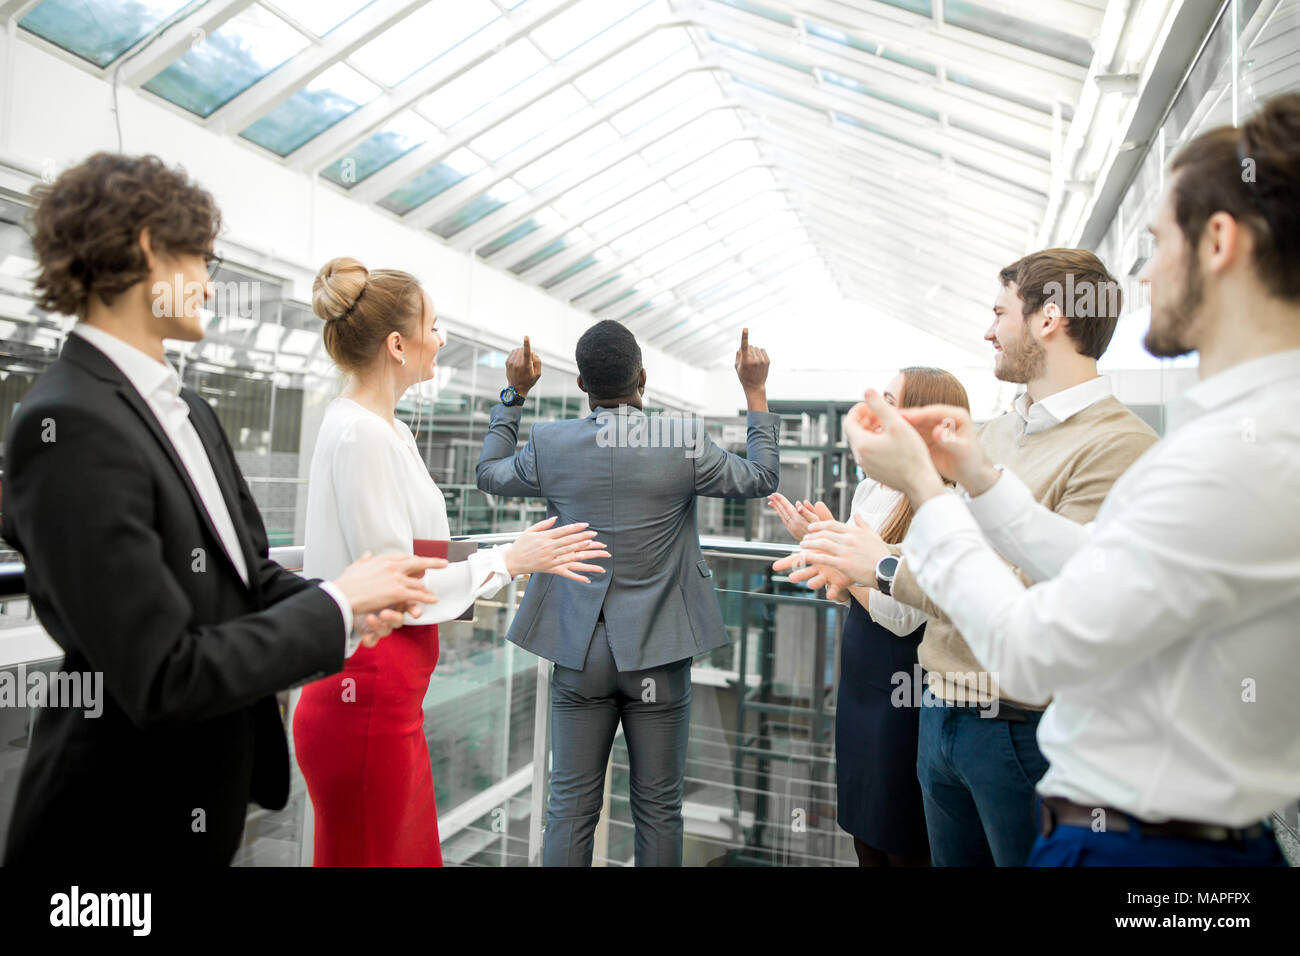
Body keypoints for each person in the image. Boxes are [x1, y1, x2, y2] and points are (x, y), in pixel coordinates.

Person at [795, 92, 1300, 866]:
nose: (1144, 273)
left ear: (1220, 242)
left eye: (1158, 241)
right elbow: (1098, 567)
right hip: (1070, 788)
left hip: (1144, 840)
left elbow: (1037, 643)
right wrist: (979, 477)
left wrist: (926, 498)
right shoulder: (1238, 436)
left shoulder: (1235, 453)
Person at [1, 154, 446, 866]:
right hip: (111, 831)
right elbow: (161, 672)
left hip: (200, 802)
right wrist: (335, 608)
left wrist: (355, 602)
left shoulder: (191, 412)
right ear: (150, 248)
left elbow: (251, 579)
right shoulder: (68, 425)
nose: (210, 285)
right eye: (202, 259)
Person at [781, 248, 1158, 866]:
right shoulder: (995, 433)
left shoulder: (1120, 447)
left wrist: (879, 564)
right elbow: (954, 551)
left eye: (999, 311)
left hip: (1023, 731)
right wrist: (858, 556)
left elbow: (1036, 597)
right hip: (939, 709)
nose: (987, 330)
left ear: (1049, 318)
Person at [293, 257, 610, 866]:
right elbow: (394, 582)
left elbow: (408, 552)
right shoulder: (363, 435)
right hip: (366, 698)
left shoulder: (388, 430)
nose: (441, 339)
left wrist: (510, 555)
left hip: (389, 696)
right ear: (396, 344)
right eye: (433, 327)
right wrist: (509, 561)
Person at [476, 321, 780, 866]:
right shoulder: (680, 441)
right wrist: (754, 391)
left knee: (568, 808)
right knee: (659, 809)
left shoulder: (551, 443)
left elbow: (489, 474)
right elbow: (761, 477)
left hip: (579, 650)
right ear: (643, 378)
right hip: (658, 656)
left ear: (582, 386)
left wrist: (513, 393)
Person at [769, 367, 969, 867]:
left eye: (890, 401)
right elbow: (852, 592)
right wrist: (823, 550)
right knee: (862, 831)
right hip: (859, 679)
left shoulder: (944, 503)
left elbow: (900, 616)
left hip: (901, 681)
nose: (875, 412)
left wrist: (838, 563)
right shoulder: (871, 491)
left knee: (899, 835)